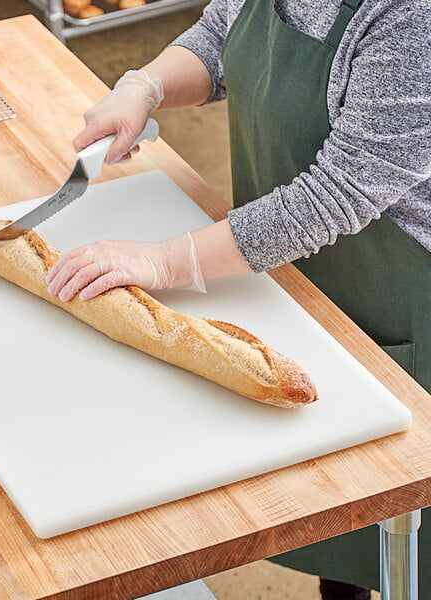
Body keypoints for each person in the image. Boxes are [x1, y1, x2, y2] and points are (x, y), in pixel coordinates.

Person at [45, 1, 431, 598]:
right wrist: (144, 86)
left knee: (397, 525)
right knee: (334, 511)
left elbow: (337, 194)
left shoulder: (413, 21)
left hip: (400, 303)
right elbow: (222, 33)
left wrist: (165, 260)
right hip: (295, 280)